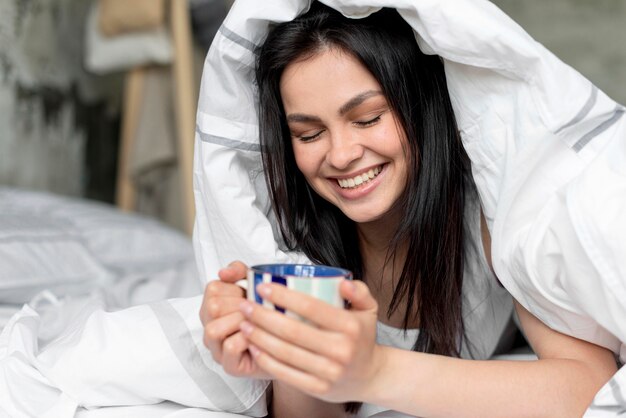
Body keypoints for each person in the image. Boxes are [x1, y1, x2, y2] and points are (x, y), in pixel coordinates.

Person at [198, 3, 619, 417]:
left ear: (422, 107)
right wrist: (274, 351)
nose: (341, 155)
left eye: (368, 118)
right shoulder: (294, 245)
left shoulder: (494, 215)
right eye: (309, 134)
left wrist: (375, 371)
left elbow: (588, 384)